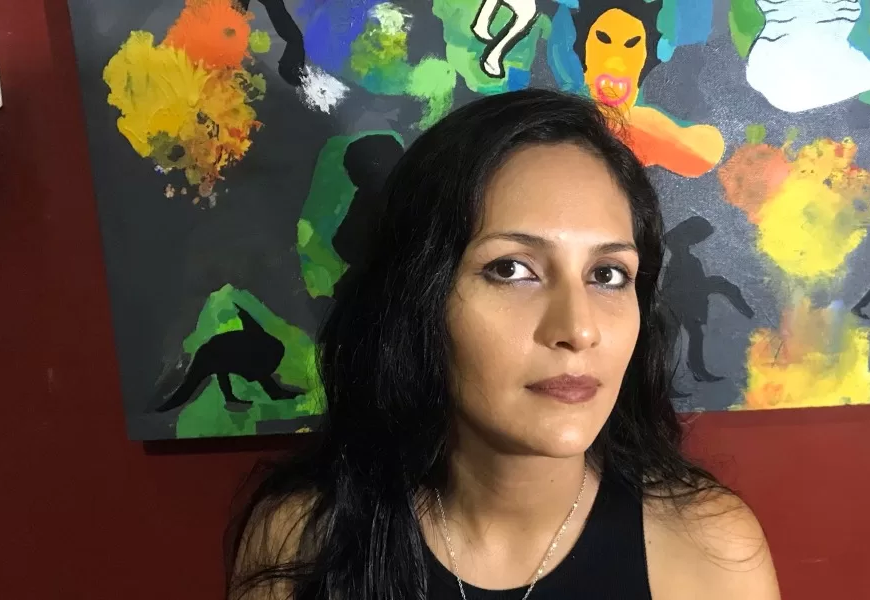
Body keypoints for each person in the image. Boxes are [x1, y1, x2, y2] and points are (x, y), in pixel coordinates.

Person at [226, 89, 781, 600]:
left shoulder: (713, 554)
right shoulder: (301, 542)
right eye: (512, 269)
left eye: (607, 275)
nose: (579, 330)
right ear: (420, 296)